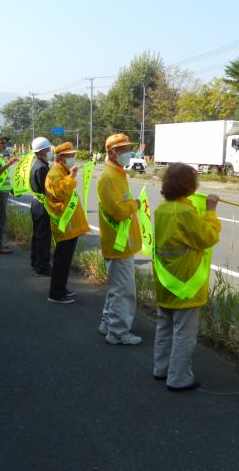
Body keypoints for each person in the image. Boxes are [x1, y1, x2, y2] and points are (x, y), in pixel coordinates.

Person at [153, 163, 220, 390]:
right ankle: (179, 378)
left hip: (165, 279)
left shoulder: (161, 209)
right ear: (188, 186)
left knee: (164, 327)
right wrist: (210, 211)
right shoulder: (185, 212)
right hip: (186, 282)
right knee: (184, 333)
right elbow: (207, 238)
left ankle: (161, 369)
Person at [97, 133, 143, 345]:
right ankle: (118, 331)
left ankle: (108, 322)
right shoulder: (109, 177)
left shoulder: (117, 174)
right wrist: (135, 205)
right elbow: (117, 210)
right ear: (113, 152)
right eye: (123, 149)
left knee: (117, 287)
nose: (128, 153)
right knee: (124, 290)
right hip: (118, 241)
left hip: (121, 239)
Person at [44, 142, 90, 303]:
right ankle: (56, 293)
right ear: (61, 157)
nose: (73, 158)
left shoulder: (63, 170)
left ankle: (61, 287)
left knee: (65, 259)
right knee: (62, 260)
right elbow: (60, 193)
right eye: (71, 155)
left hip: (70, 223)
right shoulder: (55, 173)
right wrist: (71, 177)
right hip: (64, 223)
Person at [30, 136, 53, 275]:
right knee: (43, 237)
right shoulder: (42, 168)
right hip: (43, 204)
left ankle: (35, 261)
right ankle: (42, 266)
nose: (50, 151)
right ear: (41, 151)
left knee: (37, 235)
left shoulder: (36, 165)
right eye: (48, 149)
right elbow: (48, 190)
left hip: (36, 203)